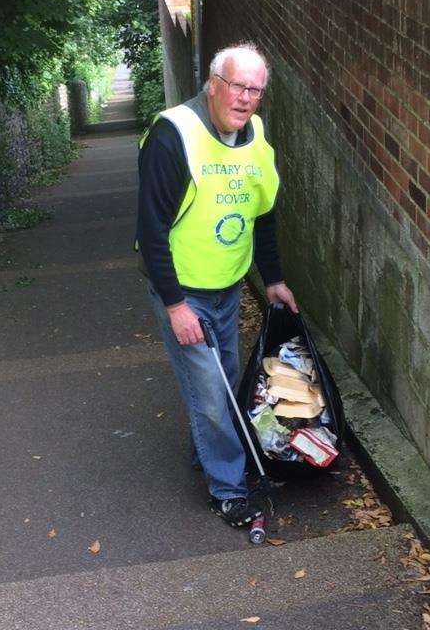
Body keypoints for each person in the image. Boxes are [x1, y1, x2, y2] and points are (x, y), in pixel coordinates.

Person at [136, 42, 298, 527]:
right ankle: (228, 488)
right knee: (210, 394)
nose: (246, 98)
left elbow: (262, 210)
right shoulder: (173, 135)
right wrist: (175, 305)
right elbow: (150, 229)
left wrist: (272, 279)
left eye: (256, 90)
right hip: (183, 291)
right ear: (213, 84)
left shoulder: (256, 136)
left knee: (222, 381)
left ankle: (207, 452)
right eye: (237, 86)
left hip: (228, 287)